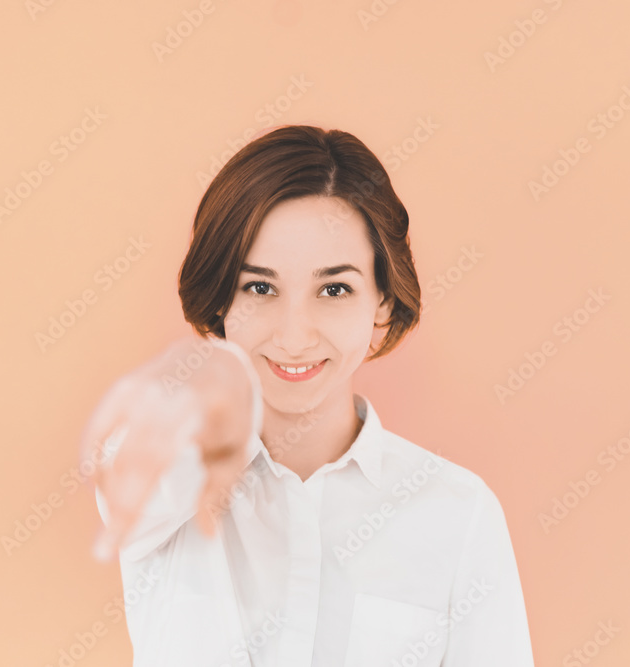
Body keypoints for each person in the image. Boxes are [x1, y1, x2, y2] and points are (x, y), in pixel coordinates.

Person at [80, 125, 535, 666]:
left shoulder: (458, 513)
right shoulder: (172, 479)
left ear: (382, 302)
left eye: (334, 289)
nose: (294, 336)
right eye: (260, 288)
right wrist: (207, 376)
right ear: (222, 301)